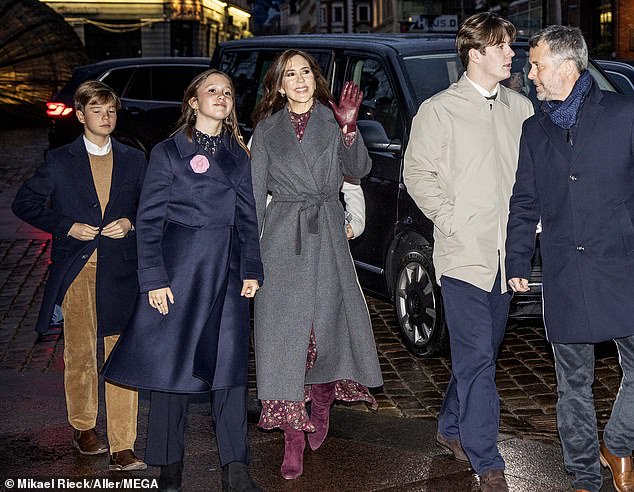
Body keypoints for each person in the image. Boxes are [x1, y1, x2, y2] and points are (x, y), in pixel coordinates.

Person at [102, 69, 263, 492]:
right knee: (172, 370)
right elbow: (149, 220)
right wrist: (153, 278)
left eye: (227, 92)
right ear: (193, 101)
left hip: (226, 273)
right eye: (212, 90)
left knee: (229, 369)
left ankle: (236, 468)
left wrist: (252, 269)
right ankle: (169, 465)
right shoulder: (169, 152)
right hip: (180, 272)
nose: (222, 96)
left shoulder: (238, 154)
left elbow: (249, 217)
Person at [403, 13, 534, 491]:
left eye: (510, 47)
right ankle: (487, 458)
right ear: (475, 53)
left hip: (507, 259)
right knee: (477, 357)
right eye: (501, 47)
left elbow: (530, 180)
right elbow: (416, 174)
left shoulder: (521, 109)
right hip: (462, 255)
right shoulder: (438, 110)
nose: (510, 54)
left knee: (480, 354)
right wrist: (452, 218)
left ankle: (450, 425)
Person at [506, 25, 634, 492]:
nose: (530, 73)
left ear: (567, 66)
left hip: (622, 265)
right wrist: (518, 260)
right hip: (564, 270)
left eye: (537, 64)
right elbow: (524, 201)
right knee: (572, 386)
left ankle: (618, 443)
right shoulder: (534, 129)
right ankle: (583, 476)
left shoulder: (624, 112)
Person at [249, 49, 384, 480]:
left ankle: (322, 396)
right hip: (283, 235)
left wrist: (348, 128)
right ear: (279, 85)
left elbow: (358, 169)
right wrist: (248, 260)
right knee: (281, 335)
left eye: (305, 71)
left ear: (314, 78)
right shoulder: (267, 131)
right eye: (290, 74)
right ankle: (292, 434)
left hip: (326, 229)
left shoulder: (334, 119)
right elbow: (253, 198)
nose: (300, 79)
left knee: (326, 327)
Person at [12, 81, 147, 471]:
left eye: (112, 111)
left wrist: (130, 222)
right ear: (81, 114)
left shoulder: (134, 160)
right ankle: (84, 426)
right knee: (81, 355)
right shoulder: (59, 161)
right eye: (98, 110)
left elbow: (154, 207)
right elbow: (25, 202)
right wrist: (64, 225)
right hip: (79, 272)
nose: (106, 118)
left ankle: (124, 444)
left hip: (122, 271)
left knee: (122, 356)